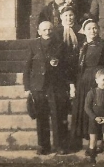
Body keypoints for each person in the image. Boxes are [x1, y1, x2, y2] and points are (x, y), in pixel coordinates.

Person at [23, 21, 69, 155]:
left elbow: (66, 66)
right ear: (39, 31)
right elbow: (27, 68)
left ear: (53, 31)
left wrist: (59, 64)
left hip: (55, 86)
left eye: (49, 30)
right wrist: (27, 87)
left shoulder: (60, 44)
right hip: (38, 86)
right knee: (41, 116)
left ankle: (59, 145)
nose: (47, 32)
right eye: (44, 30)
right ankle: (43, 145)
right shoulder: (33, 45)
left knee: (58, 116)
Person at [70, 19, 104, 152]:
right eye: (89, 28)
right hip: (84, 83)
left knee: (102, 108)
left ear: (99, 30)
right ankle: (91, 144)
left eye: (95, 28)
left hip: (101, 82)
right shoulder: (81, 46)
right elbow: (75, 67)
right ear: (84, 31)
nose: (92, 31)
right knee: (89, 110)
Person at [53, 6, 85, 101]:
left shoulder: (80, 29)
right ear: (61, 17)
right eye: (66, 15)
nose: (69, 17)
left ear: (74, 16)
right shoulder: (56, 30)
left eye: (71, 15)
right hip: (62, 61)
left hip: (76, 59)